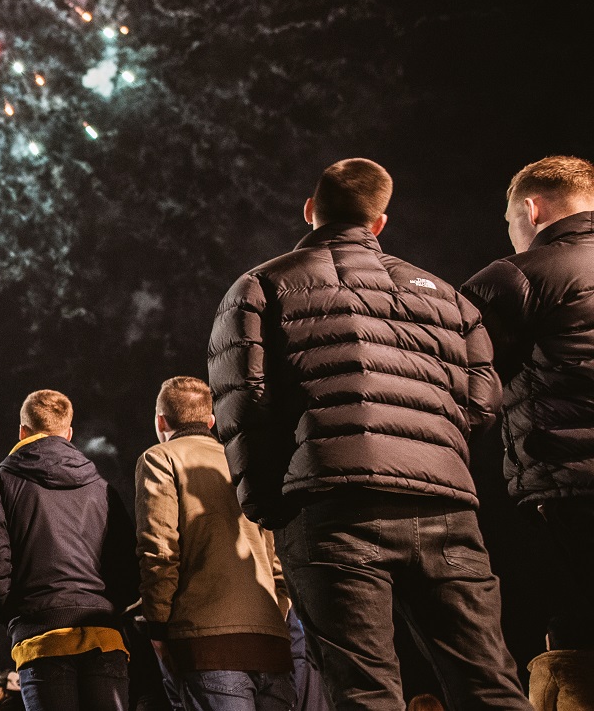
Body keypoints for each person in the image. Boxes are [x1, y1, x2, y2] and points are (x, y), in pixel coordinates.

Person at [207, 158, 530, 710]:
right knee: (487, 680)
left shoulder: (261, 286)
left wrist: (267, 504)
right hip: (444, 506)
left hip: (332, 508)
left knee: (364, 689)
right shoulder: (448, 297)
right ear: (379, 222)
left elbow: (246, 404)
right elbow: (481, 401)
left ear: (311, 211)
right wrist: (430, 451)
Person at [461, 155, 594, 651]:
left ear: (532, 210)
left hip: (571, 490)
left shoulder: (518, 276)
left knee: (575, 637)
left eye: (511, 220)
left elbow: (452, 373)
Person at [0, 389, 138, 711]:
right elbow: (128, 565)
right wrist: (109, 609)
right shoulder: (102, 489)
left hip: (42, 641)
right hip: (104, 635)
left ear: (22, 431)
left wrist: (16, 614)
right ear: (69, 433)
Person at [135, 376, 294, 711]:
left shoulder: (160, 459)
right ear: (210, 421)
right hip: (272, 643)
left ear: (161, 420)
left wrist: (158, 628)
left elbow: (160, 551)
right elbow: (275, 555)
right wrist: (276, 615)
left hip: (207, 643)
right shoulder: (242, 463)